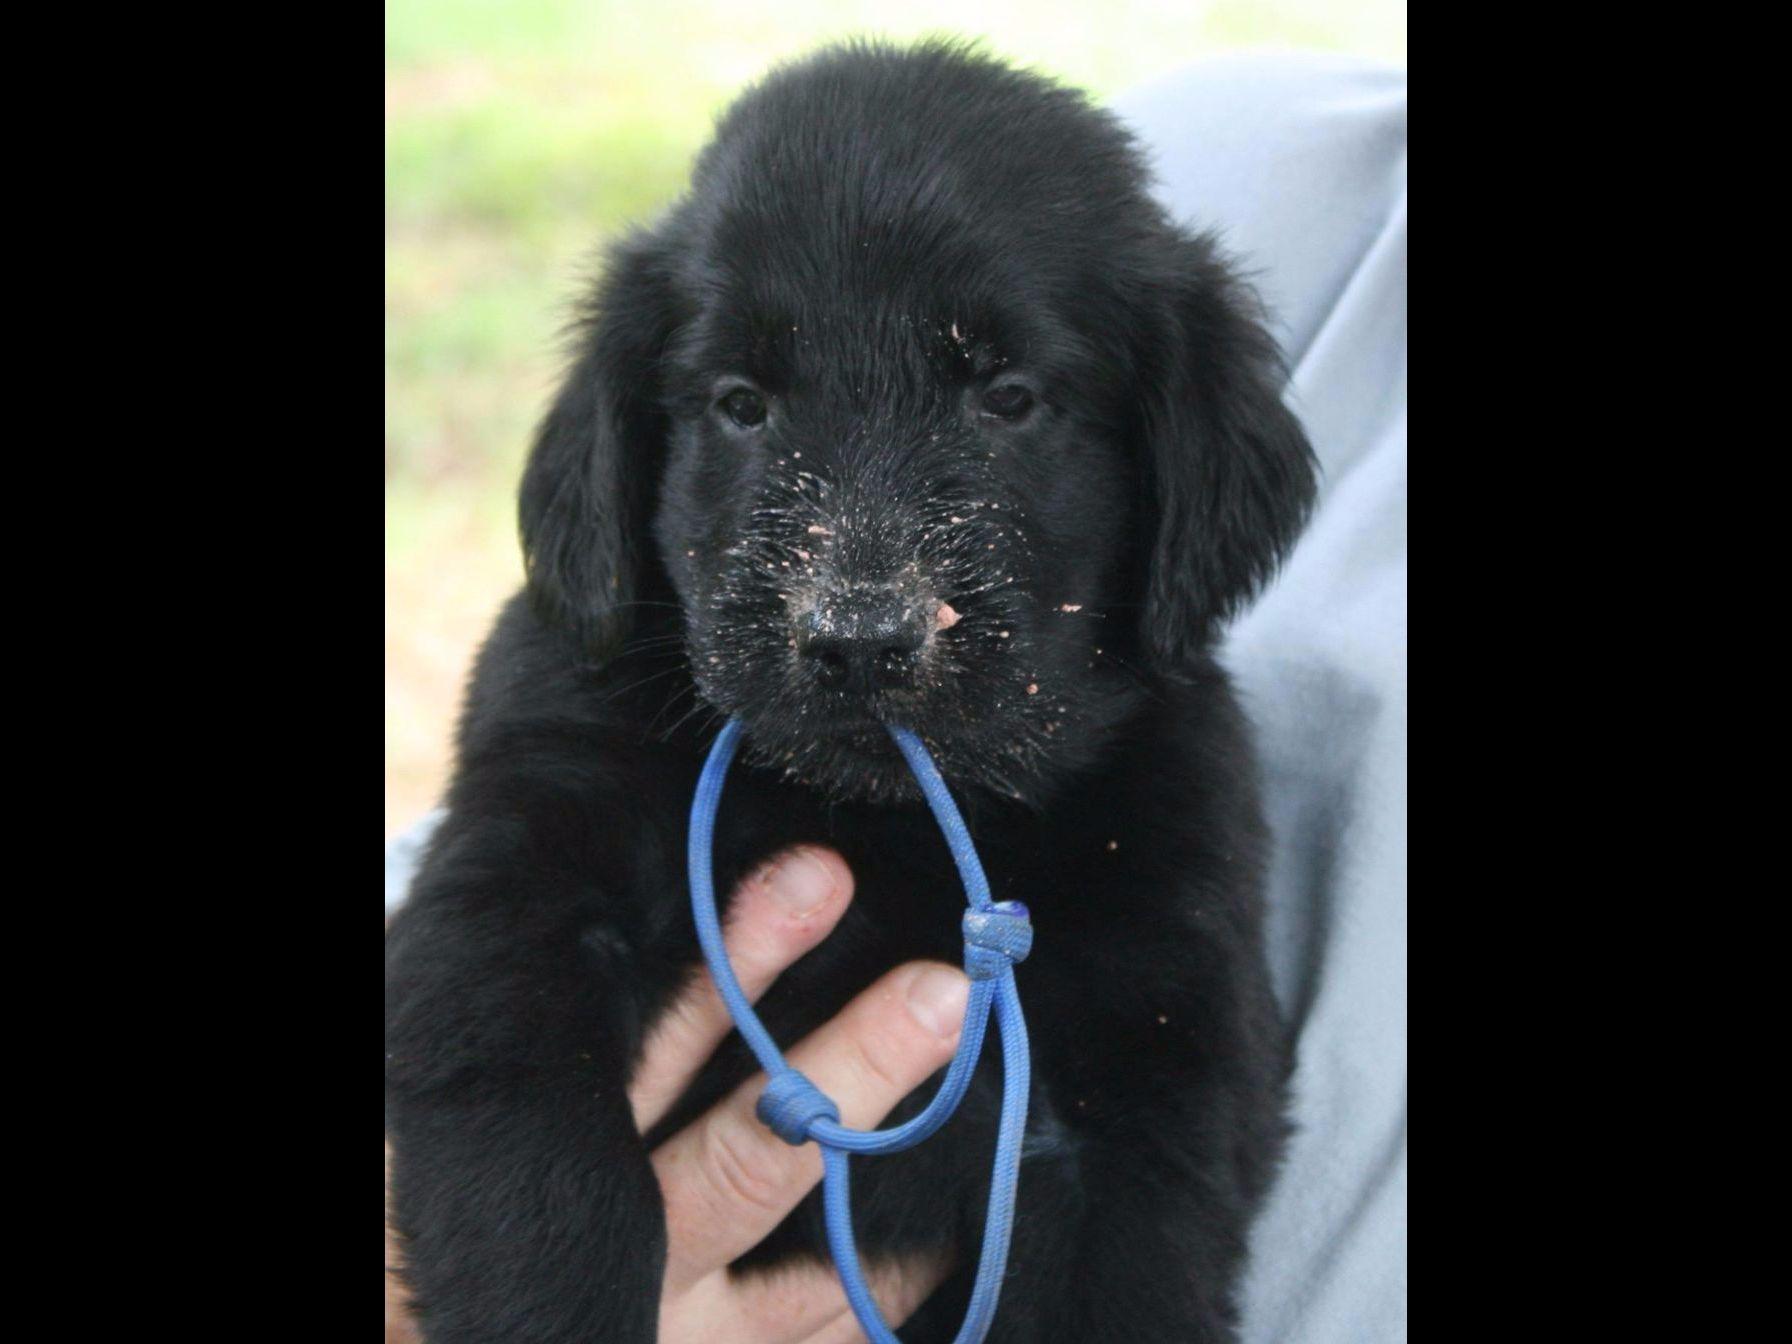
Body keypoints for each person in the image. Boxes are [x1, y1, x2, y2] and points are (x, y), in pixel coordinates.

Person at [385, 50, 1407, 1344]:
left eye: (1009, 398)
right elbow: (471, 1014)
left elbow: (1171, 1157)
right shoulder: (601, 711)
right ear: (633, 444)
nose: (855, 603)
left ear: (1178, 473)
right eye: (744, 403)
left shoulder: (1156, 794)